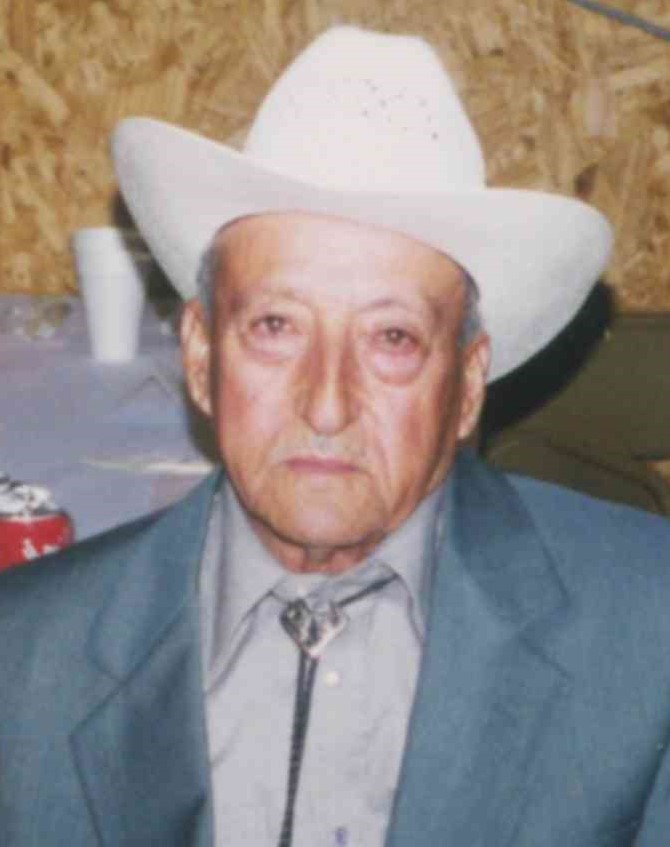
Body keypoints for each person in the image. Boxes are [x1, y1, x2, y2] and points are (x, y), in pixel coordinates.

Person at [1, 25, 670, 847]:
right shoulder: (23, 661)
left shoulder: (649, 636)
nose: (326, 405)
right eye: (276, 326)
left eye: (392, 338)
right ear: (202, 358)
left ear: (467, 385)